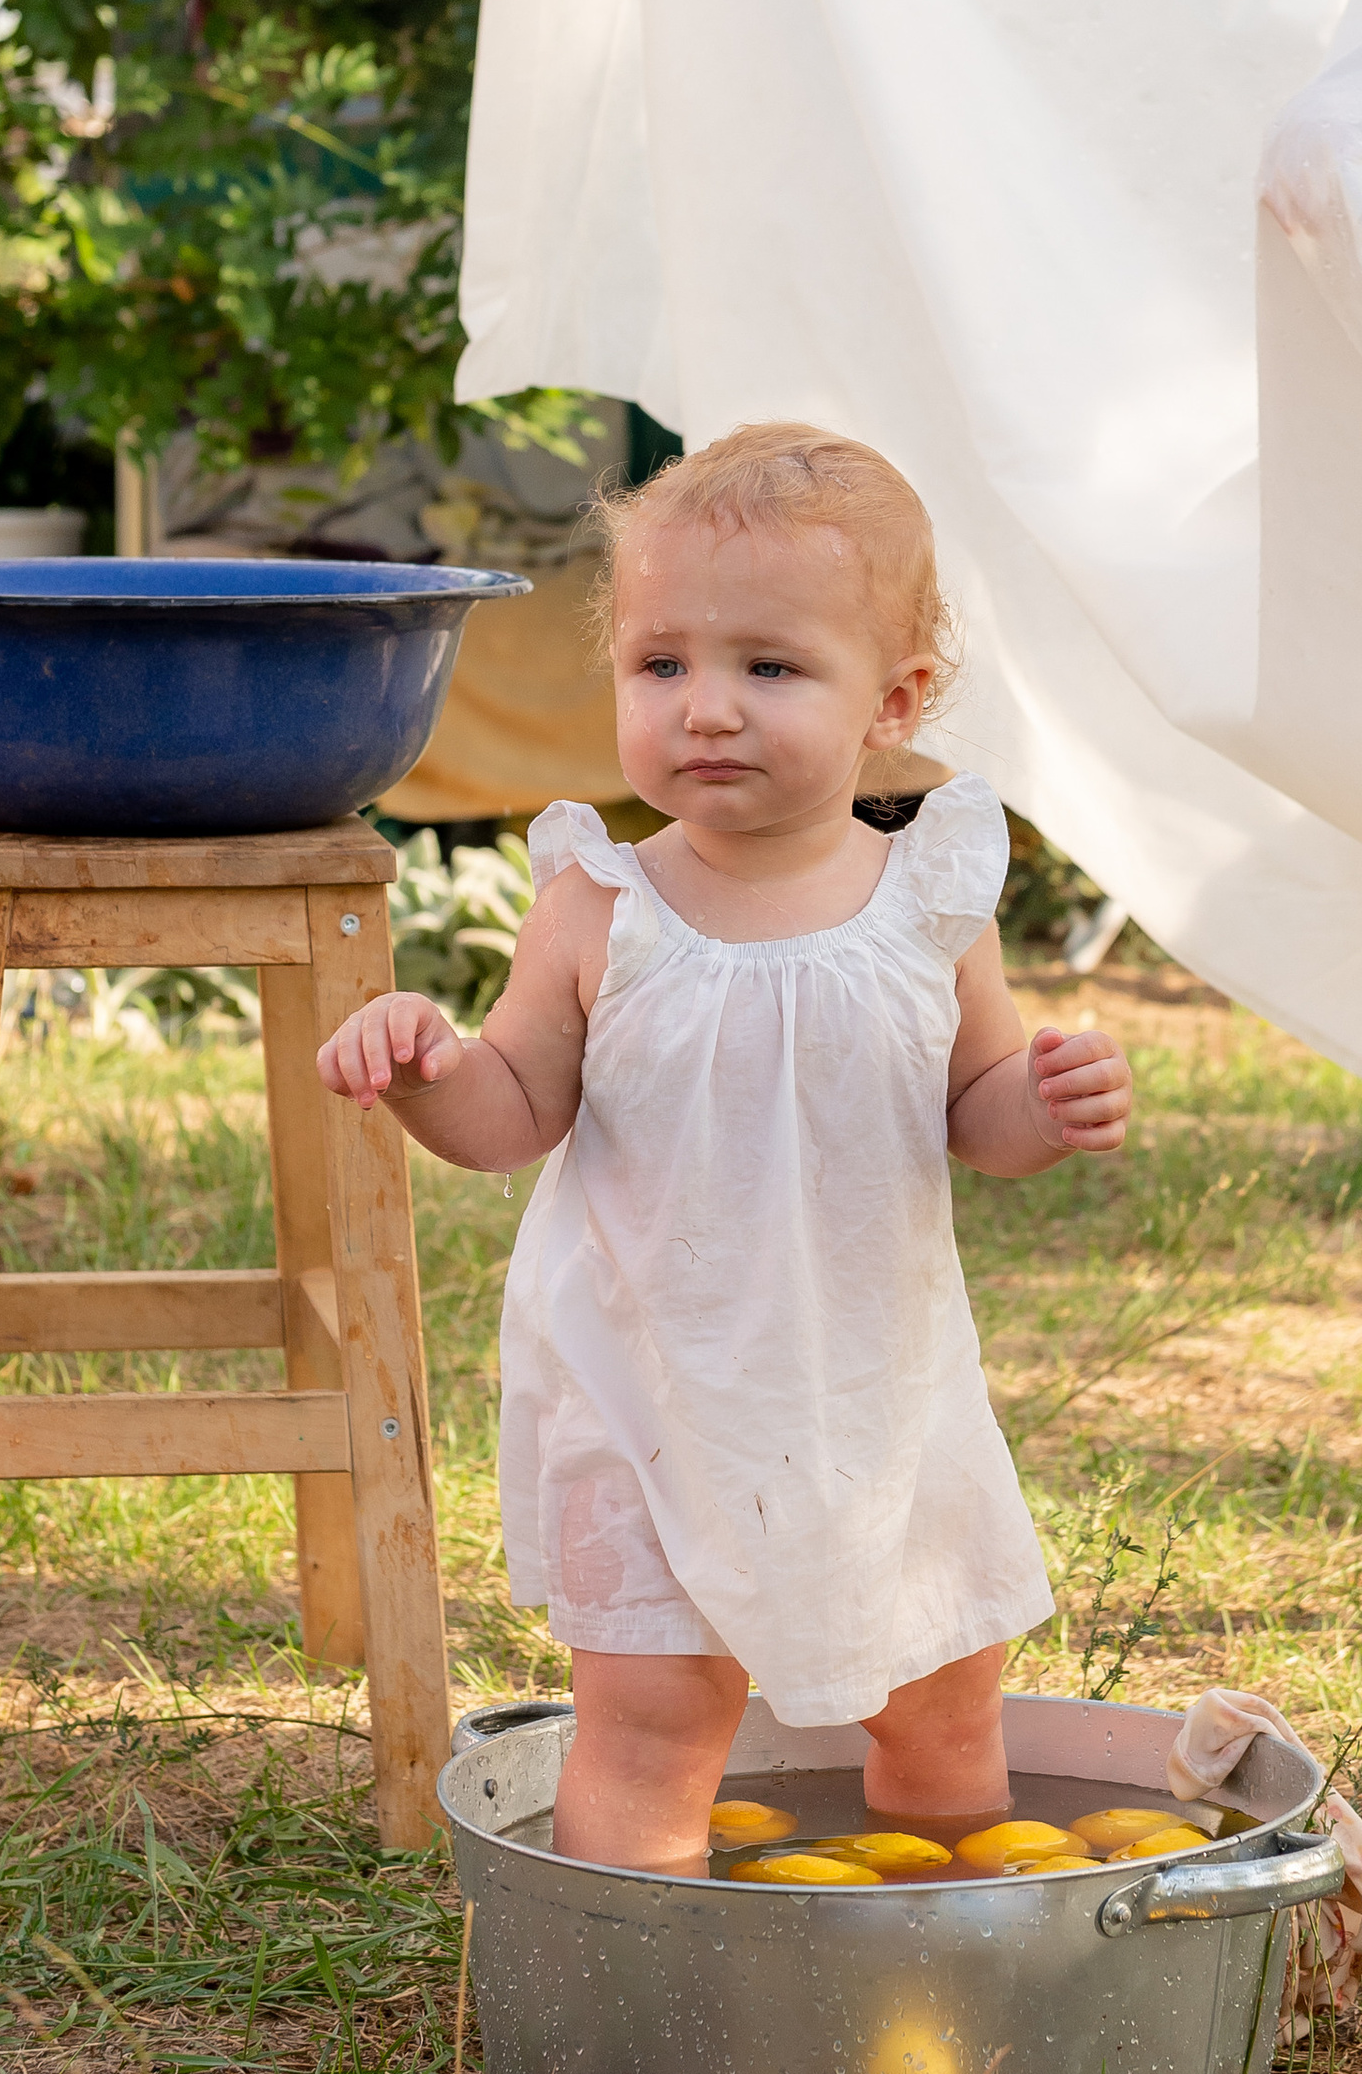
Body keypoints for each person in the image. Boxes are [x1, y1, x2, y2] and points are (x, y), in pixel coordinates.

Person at [316, 423, 1132, 1868]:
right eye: (662, 664)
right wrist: (433, 1067)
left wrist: (1044, 1107)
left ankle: (947, 1970)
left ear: (897, 698)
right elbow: (514, 1108)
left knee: (941, 1708)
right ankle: (646, 2015)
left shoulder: (931, 902)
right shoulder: (598, 909)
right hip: (650, 1397)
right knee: (650, 1724)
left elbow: (976, 1106)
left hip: (878, 1399)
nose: (707, 707)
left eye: (768, 666)